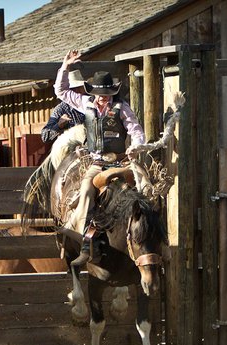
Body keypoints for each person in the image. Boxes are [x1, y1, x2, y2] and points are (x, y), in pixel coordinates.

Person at [54, 50, 146, 268]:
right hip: (97, 163)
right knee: (86, 190)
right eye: (101, 92)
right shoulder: (85, 103)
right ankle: (85, 243)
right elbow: (60, 90)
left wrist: (136, 146)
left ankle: (149, 239)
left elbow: (136, 130)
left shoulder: (122, 108)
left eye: (107, 93)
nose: (104, 96)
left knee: (144, 192)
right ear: (94, 92)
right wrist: (65, 67)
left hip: (121, 162)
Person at [40, 69, 86, 143]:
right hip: (72, 148)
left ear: (84, 88)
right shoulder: (61, 109)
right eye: (73, 89)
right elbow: (45, 136)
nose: (77, 91)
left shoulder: (93, 102)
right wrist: (59, 125)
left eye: (79, 87)